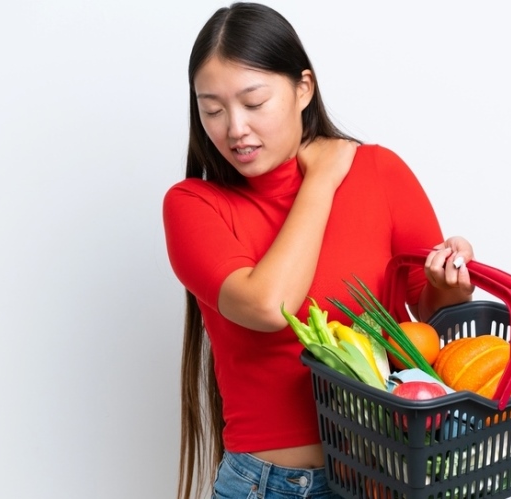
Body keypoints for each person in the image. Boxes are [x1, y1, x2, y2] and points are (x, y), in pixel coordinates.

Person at [162, 3, 475, 498]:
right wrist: (322, 179)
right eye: (213, 110)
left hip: (384, 476)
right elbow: (269, 306)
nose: (235, 128)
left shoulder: (379, 173)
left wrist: (448, 285)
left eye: (253, 102)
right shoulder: (195, 206)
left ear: (302, 88)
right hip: (270, 486)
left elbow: (430, 327)